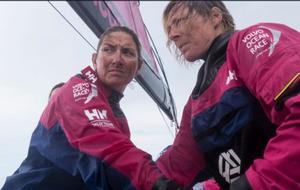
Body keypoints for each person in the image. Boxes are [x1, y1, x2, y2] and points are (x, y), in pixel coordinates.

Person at [2, 26, 182, 190]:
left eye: (127, 52)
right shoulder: (79, 90)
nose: (117, 59)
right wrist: (158, 184)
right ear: (95, 59)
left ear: (138, 67)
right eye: (108, 49)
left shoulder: (117, 116)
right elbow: (112, 153)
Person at [156, 1, 300, 190]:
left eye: (180, 21)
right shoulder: (196, 100)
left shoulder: (250, 40)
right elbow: (177, 165)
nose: (173, 35)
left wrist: (255, 183)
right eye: (169, 29)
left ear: (215, 17)